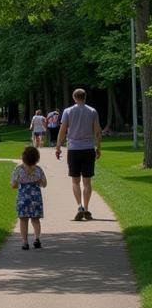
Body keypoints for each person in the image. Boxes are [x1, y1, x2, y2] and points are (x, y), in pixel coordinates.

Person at [55, 88, 101, 221]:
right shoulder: (92, 111)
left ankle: (79, 206)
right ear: (85, 97)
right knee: (87, 182)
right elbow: (97, 131)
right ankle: (86, 208)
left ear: (74, 98)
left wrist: (58, 147)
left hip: (74, 149)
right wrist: (99, 147)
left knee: (75, 181)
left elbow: (62, 131)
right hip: (88, 149)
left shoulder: (68, 111)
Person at [12, 144, 47, 250]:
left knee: (23, 220)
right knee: (35, 219)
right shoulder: (38, 170)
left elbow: (14, 186)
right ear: (37, 158)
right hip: (35, 197)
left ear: (23, 158)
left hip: (23, 197)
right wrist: (38, 181)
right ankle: (37, 238)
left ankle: (25, 242)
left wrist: (19, 182)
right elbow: (44, 184)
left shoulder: (18, 170)